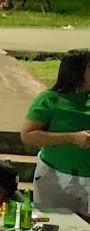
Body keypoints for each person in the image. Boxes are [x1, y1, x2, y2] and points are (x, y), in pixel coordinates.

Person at [20, 49, 90, 216]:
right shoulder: (50, 100)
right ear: (77, 71)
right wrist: (72, 138)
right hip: (55, 176)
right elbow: (28, 135)